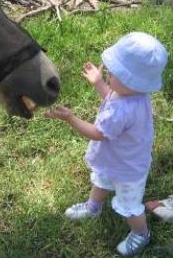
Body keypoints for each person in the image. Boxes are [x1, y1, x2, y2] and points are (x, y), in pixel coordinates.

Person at [45, 32, 168, 256]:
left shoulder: (122, 109)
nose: (109, 74)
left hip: (127, 169)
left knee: (130, 206)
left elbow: (97, 132)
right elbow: (112, 98)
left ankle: (141, 234)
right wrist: (100, 83)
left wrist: (70, 118)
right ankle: (93, 207)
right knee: (101, 178)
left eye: (114, 74)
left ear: (133, 81)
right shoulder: (135, 95)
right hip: (120, 159)